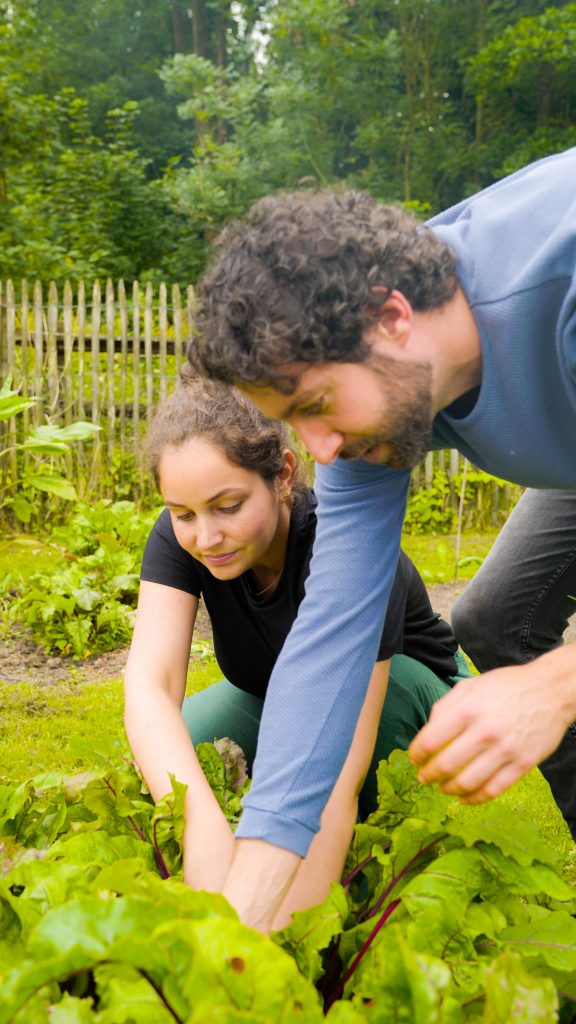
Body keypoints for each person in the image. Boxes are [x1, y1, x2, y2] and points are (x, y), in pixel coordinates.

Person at [186, 145, 576, 932]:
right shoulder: (378, 371)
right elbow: (331, 632)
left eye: (320, 404)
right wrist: (247, 912)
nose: (319, 450)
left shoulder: (558, 295)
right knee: (499, 621)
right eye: (294, 421)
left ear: (394, 317)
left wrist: (555, 685)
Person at [124, 376, 470, 927]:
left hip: (418, 693)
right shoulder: (180, 537)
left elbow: (338, 766)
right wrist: (202, 831)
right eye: (183, 513)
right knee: (178, 743)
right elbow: (150, 688)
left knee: (358, 730)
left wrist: (289, 928)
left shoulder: (347, 546)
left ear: (282, 475)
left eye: (228, 506)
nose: (206, 536)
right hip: (284, 700)